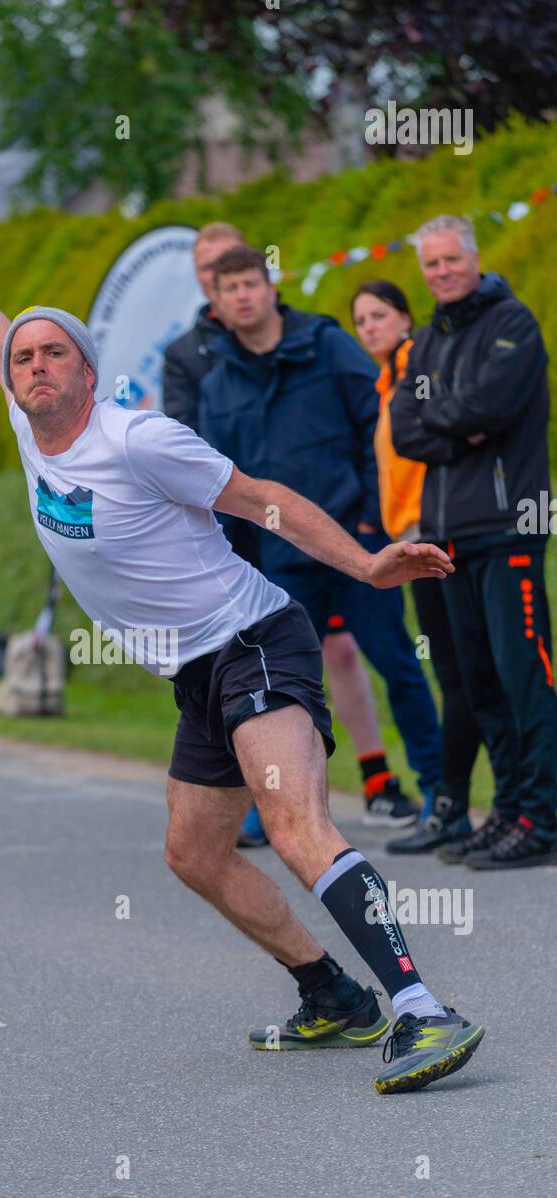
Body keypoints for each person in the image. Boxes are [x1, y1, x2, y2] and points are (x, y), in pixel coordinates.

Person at [0, 200, 484, 1095]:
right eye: (23, 359)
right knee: (194, 854)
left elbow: (265, 499)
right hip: (195, 674)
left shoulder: (137, 439)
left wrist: (367, 565)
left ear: (88, 373)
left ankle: (420, 1007)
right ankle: (330, 994)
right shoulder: (30, 425)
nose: (32, 364)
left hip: (253, 640)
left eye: (54, 351)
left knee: (294, 826)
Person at [164, 229, 420, 848]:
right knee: (273, 679)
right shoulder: (199, 363)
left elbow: (371, 424)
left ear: (268, 284)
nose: (235, 291)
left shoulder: (320, 341)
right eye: (219, 281)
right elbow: (193, 459)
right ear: (211, 294)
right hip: (264, 550)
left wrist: (369, 519)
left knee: (381, 658)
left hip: (345, 532)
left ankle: (427, 788)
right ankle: (268, 803)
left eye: (247, 280)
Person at [390, 215, 557, 869]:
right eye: (429, 264)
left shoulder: (512, 324)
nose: (440, 273)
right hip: (450, 536)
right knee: (479, 684)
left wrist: (457, 418)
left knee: (524, 678)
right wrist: (457, 423)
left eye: (449, 260)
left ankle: (542, 820)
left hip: (509, 528)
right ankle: (508, 812)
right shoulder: (428, 339)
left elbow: (489, 406)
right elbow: (405, 428)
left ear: (473, 258)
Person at [351, 280, 482, 853]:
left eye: (379, 315)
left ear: (405, 318)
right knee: (451, 672)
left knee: (460, 673)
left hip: (436, 532)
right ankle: (449, 805)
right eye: (360, 320)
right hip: (408, 538)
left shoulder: (417, 370)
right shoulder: (386, 382)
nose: (368, 327)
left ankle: (454, 804)